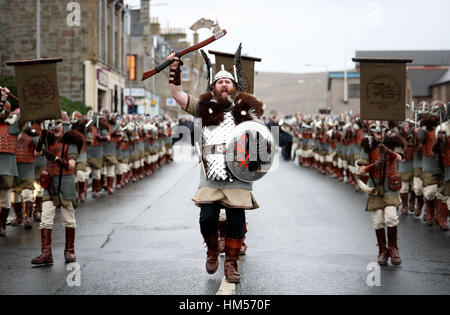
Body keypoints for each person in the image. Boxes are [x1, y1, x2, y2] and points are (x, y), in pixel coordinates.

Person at [167, 49, 264, 283]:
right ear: (214, 86)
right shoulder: (203, 107)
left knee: (236, 221)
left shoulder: (246, 109)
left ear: (234, 87)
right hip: (210, 174)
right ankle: (212, 249)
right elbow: (178, 94)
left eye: (227, 82)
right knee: (206, 218)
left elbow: (260, 138)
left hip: (239, 173)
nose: (223, 84)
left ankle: (231, 264)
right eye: (220, 81)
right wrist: (174, 69)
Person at [31, 112, 84, 266]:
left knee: (68, 219)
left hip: (66, 184)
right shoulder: (49, 141)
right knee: (46, 218)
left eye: (58, 124)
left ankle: (69, 251)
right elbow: (36, 152)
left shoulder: (71, 143)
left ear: (65, 126)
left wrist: (55, 159)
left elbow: (72, 165)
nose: (55, 127)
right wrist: (42, 138)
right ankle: (46, 254)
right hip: (49, 185)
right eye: (53, 124)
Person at [357, 121, 405, 266]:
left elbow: (400, 158)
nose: (379, 133)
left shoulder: (393, 141)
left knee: (391, 217)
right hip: (376, 188)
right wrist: (373, 166)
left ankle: (393, 249)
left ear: (386, 131)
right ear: (372, 132)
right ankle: (382, 251)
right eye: (376, 131)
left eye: (381, 130)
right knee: (378, 221)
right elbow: (360, 170)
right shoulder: (367, 145)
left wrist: (388, 151)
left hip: (390, 186)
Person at [0, 87, 20, 237]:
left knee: (6, 200)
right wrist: (2, 98)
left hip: (7, 165)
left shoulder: (13, 125)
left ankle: (2, 225)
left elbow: (28, 114)